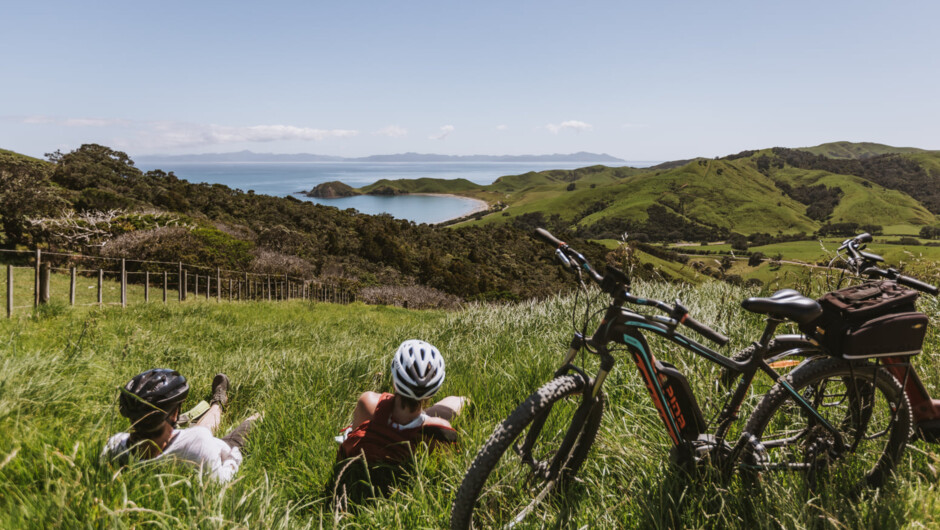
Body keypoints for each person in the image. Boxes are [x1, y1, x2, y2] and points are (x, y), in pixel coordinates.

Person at [102, 369, 259, 483]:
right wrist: (233, 459)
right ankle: (218, 403)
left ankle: (218, 402)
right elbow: (222, 480)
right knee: (257, 418)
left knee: (201, 431)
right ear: (174, 414)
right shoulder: (198, 442)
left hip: (189, 442)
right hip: (219, 449)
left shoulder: (115, 446)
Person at [336, 339, 467, 465]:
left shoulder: (367, 402)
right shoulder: (438, 430)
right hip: (415, 446)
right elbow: (444, 465)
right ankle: (466, 401)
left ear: (394, 380)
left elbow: (351, 441)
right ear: (433, 391)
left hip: (363, 467)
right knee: (458, 402)